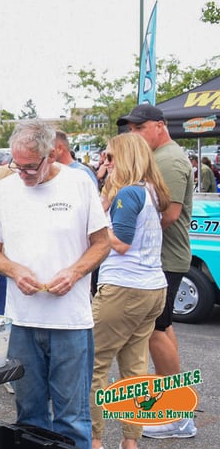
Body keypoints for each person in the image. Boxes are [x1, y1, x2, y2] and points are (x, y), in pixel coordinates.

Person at [0, 120, 110, 449]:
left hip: (70, 323)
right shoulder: (6, 189)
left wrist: (74, 272)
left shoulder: (79, 183)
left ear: (51, 154)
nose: (20, 173)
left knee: (73, 418)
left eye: (28, 167)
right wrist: (13, 269)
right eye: (15, 165)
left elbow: (102, 243)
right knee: (29, 417)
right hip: (21, 322)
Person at [116, 104, 196, 439]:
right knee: (161, 328)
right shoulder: (160, 157)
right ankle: (175, 402)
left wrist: (132, 236)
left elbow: (170, 214)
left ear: (159, 126)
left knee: (155, 331)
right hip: (161, 259)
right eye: (130, 129)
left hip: (164, 259)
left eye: (139, 128)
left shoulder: (169, 160)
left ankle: (178, 416)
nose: (133, 134)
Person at [89, 133, 169, 449]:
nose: (104, 163)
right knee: (134, 371)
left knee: (92, 365)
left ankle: (94, 441)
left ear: (124, 158)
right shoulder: (150, 191)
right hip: (152, 287)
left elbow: (119, 243)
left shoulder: (128, 194)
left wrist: (99, 225)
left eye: (109, 157)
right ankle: (130, 441)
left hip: (124, 287)